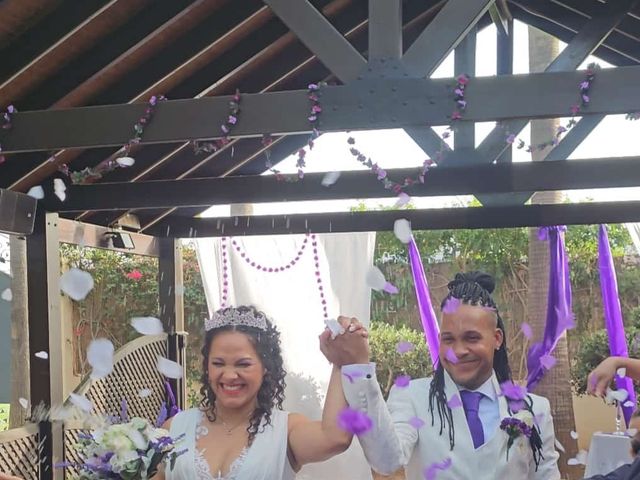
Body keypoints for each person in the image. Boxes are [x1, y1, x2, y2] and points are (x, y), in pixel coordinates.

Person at [320, 271, 561, 479]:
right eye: (448, 339)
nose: (458, 351)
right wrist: (357, 366)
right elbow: (387, 461)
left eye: (472, 338)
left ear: (496, 338)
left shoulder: (534, 409)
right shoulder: (412, 397)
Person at [155, 305, 361, 480]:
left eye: (243, 364)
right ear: (207, 367)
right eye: (218, 363)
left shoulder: (285, 430)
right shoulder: (175, 427)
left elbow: (335, 438)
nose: (229, 375)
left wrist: (341, 362)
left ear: (265, 368)